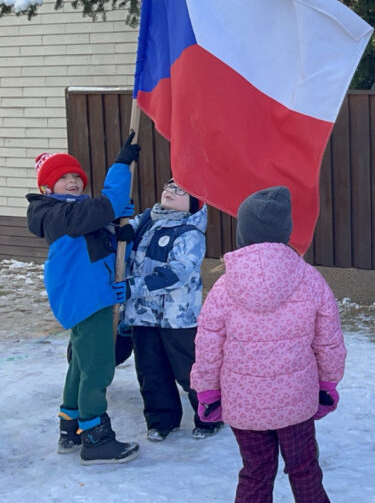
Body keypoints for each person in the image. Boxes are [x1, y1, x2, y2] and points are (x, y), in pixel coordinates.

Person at [191, 186, 347, 502]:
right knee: (304, 470)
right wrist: (328, 384)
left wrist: (207, 392)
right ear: (286, 231)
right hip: (296, 401)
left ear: (243, 234)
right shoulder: (310, 279)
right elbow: (329, 341)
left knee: (256, 473)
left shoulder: (223, 287)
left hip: (244, 405)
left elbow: (208, 348)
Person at [25, 133, 141, 465]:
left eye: (76, 175)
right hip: (85, 300)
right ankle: (95, 438)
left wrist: (119, 234)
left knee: (80, 364)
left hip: (89, 296)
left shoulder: (73, 213)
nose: (73, 181)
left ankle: (70, 425)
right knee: (97, 368)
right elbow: (108, 204)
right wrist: (120, 166)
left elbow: (97, 251)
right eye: (63, 178)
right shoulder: (58, 214)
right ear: (48, 188)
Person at [120, 177, 220, 441]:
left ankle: (209, 415)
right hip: (142, 316)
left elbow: (177, 274)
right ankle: (161, 420)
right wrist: (121, 228)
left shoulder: (190, 233)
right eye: (169, 186)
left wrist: (133, 287)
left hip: (177, 318)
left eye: (181, 191)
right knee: (151, 370)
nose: (171, 192)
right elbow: (121, 236)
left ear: (194, 203)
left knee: (190, 371)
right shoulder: (146, 221)